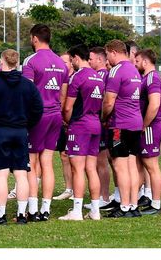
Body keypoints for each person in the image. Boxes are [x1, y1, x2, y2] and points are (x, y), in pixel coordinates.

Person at [0, 48, 43, 225]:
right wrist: (26, 124)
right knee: (22, 174)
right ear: (17, 62)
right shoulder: (28, 85)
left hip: (0, 131)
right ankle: (22, 214)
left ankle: (1, 215)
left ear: (1, 62)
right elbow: (38, 108)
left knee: (1, 175)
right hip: (20, 131)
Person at [21, 24, 69, 221]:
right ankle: (46, 209)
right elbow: (64, 94)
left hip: (38, 117)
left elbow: (26, 93)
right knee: (47, 162)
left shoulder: (30, 61)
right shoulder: (61, 63)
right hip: (55, 115)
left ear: (34, 38)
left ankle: (32, 209)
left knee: (31, 162)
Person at [59, 46, 104, 221]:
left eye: (71, 60)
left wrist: (67, 122)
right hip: (95, 124)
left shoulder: (77, 76)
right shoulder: (98, 76)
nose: (71, 63)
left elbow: (68, 106)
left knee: (77, 169)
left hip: (80, 125)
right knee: (91, 169)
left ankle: (76, 211)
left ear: (76, 58)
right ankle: (95, 210)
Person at [101, 39, 144, 218]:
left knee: (120, 167)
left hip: (120, 124)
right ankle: (133, 204)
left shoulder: (117, 71)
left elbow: (109, 101)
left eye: (107, 55)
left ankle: (124, 206)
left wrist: (103, 118)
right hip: (135, 123)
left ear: (113, 52)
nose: (107, 60)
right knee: (132, 166)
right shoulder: (134, 70)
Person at [134, 48, 161, 216]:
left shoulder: (152, 78)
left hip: (151, 127)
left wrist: (144, 125)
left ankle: (156, 204)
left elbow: (154, 105)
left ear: (145, 62)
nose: (136, 64)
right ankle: (131, 200)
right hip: (148, 127)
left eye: (137, 61)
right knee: (141, 165)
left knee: (152, 167)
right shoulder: (146, 78)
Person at [88, 46, 113, 209]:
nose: (89, 61)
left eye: (90, 58)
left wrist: (103, 118)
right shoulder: (100, 75)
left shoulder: (103, 75)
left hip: (102, 124)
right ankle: (105, 195)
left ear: (99, 59)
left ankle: (104, 196)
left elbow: (106, 101)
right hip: (100, 123)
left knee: (101, 161)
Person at [54, 52, 75, 202]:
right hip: (61, 120)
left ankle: (76, 189)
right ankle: (69, 189)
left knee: (75, 157)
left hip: (72, 122)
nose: (62, 65)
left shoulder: (76, 77)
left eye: (65, 62)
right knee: (63, 155)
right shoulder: (60, 77)